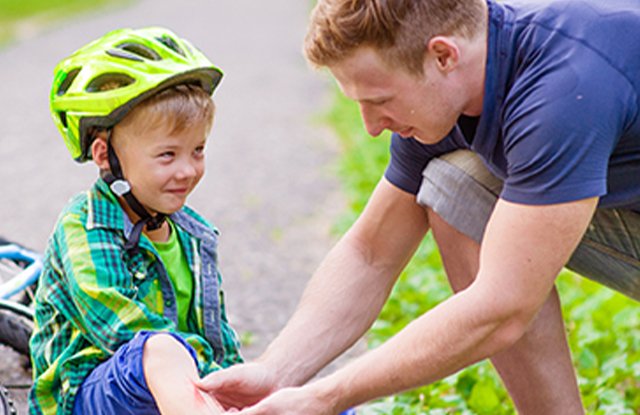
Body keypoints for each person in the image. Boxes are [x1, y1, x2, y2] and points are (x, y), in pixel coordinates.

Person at [196, 0, 640, 413]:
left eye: (380, 101)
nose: (372, 128)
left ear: (443, 56)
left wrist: (327, 396)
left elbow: (504, 307)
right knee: (455, 185)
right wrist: (277, 373)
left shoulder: (564, 86)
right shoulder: (455, 85)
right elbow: (370, 254)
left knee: (487, 257)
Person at [28, 27, 243, 415]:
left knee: (297, 397)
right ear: (105, 156)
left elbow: (219, 338)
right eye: (167, 155)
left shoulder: (194, 235)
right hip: (91, 395)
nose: (187, 170)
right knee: (159, 347)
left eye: (197, 150)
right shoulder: (84, 225)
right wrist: (210, 378)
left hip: (179, 393)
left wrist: (241, 389)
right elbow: (117, 327)